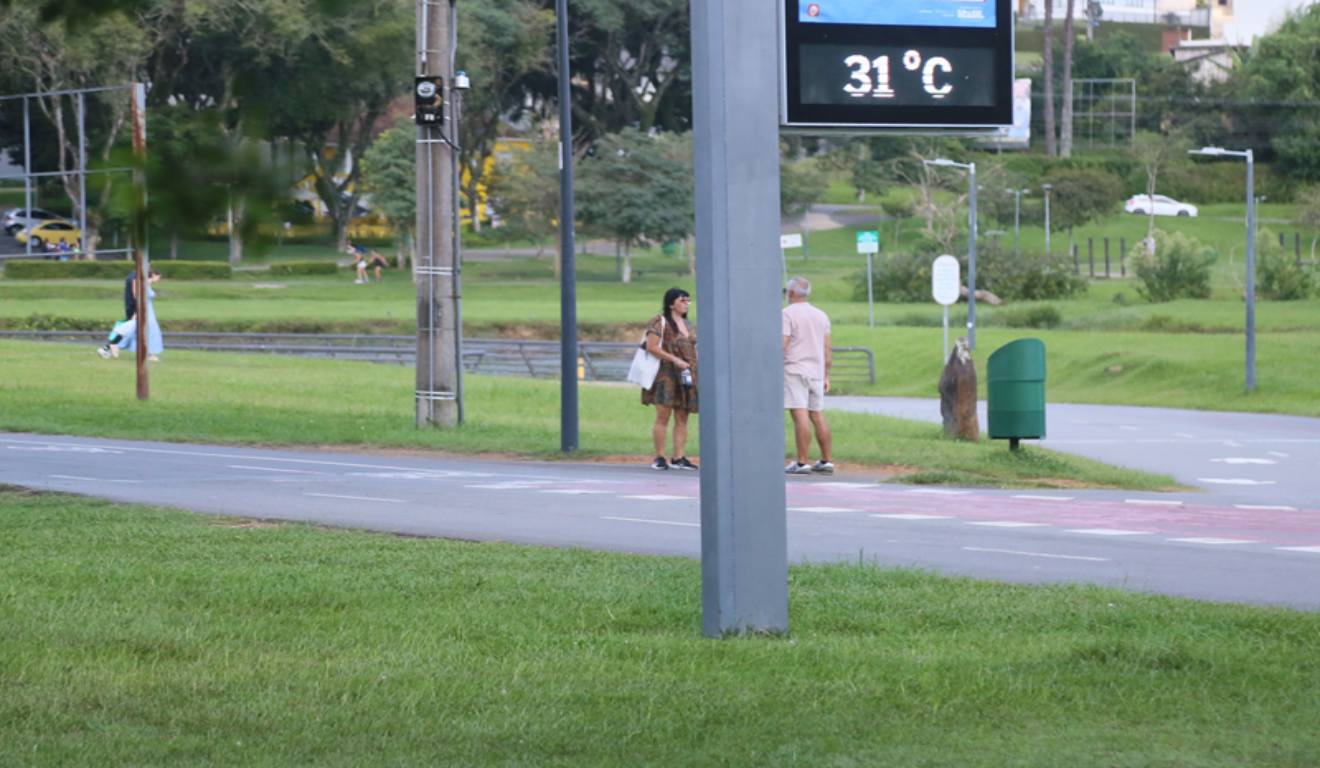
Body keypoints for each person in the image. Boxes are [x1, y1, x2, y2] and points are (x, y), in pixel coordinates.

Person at [641, 287, 698, 471]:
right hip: (666, 376)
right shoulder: (660, 322)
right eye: (682, 300)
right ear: (671, 303)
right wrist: (675, 359)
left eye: (688, 301)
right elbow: (652, 346)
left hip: (686, 376)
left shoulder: (689, 325)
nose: (686, 304)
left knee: (682, 416)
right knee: (662, 416)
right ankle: (659, 456)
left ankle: (679, 456)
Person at [782, 276, 834, 475]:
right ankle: (826, 460)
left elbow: (783, 344)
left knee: (799, 413)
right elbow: (827, 348)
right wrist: (826, 374)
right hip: (817, 371)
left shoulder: (787, 314)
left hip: (795, 369)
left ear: (792, 293)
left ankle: (802, 462)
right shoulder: (821, 315)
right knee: (817, 414)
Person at [97, 270, 163, 361]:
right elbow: (137, 296)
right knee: (133, 330)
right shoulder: (139, 279)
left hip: (142, 310)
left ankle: (106, 348)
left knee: (129, 330)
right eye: (158, 278)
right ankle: (148, 354)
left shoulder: (138, 279)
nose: (158, 280)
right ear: (153, 275)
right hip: (141, 311)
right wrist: (136, 312)